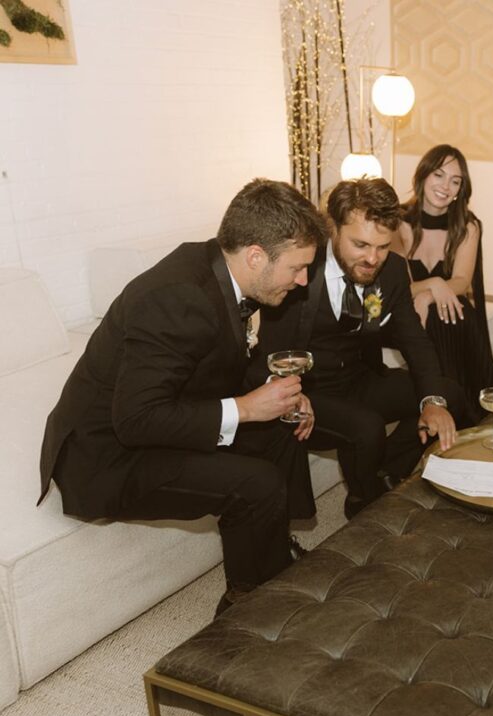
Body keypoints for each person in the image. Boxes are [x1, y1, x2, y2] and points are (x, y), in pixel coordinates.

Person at [39, 179, 328, 616]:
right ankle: (245, 607)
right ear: (255, 255)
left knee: (280, 431)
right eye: (297, 267)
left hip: (148, 422)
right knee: (257, 483)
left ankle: (267, 558)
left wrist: (277, 398)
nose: (303, 280)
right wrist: (247, 407)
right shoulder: (178, 298)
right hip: (106, 455)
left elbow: (210, 364)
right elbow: (135, 419)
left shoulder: (214, 266)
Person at [254, 176, 461, 519]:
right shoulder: (301, 268)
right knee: (366, 426)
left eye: (382, 246)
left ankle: (385, 472)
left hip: (359, 379)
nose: (373, 258)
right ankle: (363, 506)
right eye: (361, 245)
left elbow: (414, 341)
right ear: (331, 227)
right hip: (309, 392)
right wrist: (289, 396)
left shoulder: (393, 269)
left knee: (448, 392)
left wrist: (433, 402)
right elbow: (273, 354)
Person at [398, 144, 493, 422]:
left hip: (445, 308)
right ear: (422, 176)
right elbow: (400, 288)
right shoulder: (399, 222)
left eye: (455, 181)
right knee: (440, 315)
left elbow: (462, 281)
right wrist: (433, 284)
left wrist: (430, 295)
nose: (446, 186)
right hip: (404, 308)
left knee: (455, 311)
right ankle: (447, 402)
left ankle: (460, 401)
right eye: (439, 175)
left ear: (461, 189)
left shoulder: (468, 225)